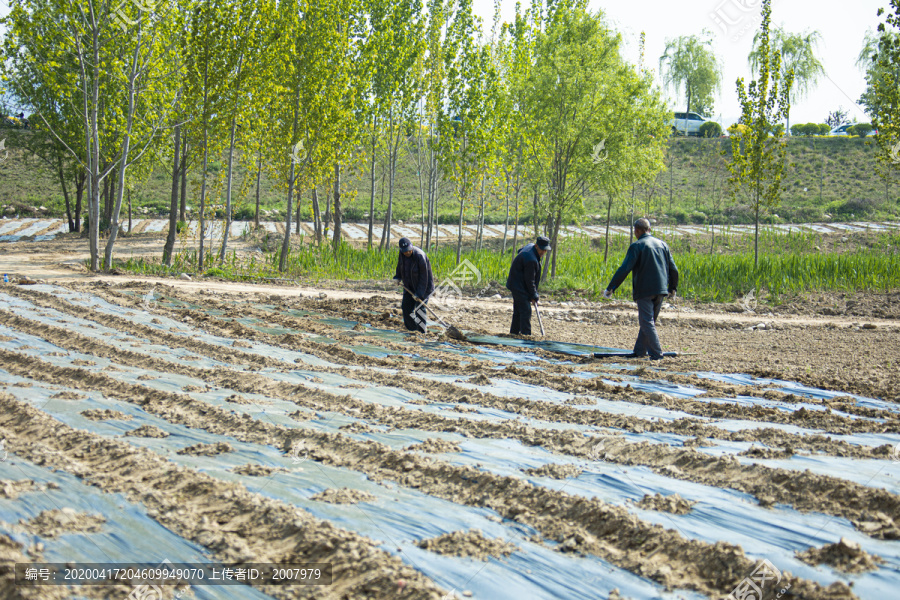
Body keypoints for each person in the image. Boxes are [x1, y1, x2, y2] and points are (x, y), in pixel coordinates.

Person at [603, 218, 678, 360]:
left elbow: (625, 268)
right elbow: (673, 269)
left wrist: (611, 287)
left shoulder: (637, 246)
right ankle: (640, 351)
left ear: (637, 231)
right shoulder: (663, 245)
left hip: (645, 290)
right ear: (649, 230)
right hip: (661, 290)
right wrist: (672, 288)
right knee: (649, 322)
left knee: (646, 322)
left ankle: (657, 354)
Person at [506, 236, 551, 335]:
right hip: (518, 286)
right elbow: (530, 281)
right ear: (536, 246)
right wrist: (534, 295)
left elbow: (520, 251)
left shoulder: (530, 248)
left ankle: (514, 333)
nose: (543, 252)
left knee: (518, 311)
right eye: (542, 250)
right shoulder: (531, 260)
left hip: (517, 283)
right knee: (526, 311)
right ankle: (526, 335)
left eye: (545, 250)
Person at [392, 237, 434, 333]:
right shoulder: (402, 254)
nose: (407, 253)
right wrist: (397, 277)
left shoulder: (420, 256)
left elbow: (425, 277)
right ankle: (413, 330)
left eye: (409, 251)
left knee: (419, 309)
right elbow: (400, 265)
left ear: (411, 247)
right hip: (409, 286)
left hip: (424, 288)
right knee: (406, 308)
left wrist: (419, 293)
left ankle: (422, 332)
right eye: (405, 251)